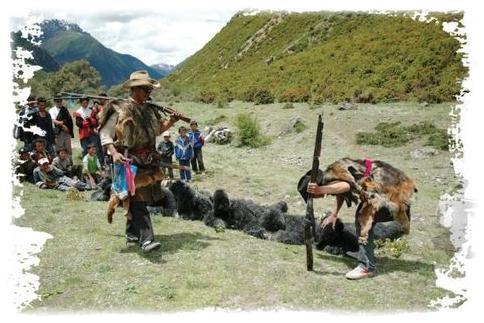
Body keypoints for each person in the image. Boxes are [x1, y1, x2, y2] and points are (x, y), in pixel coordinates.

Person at [99, 70, 183, 252]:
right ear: (136, 90)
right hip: (127, 160)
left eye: (149, 89)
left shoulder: (149, 110)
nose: (149, 93)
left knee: (137, 196)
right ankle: (146, 240)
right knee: (137, 198)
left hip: (148, 160)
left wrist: (172, 121)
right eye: (146, 89)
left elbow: (157, 130)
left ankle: (131, 232)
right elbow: (105, 134)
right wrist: (113, 152)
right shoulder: (119, 109)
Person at [307, 180, 376, 280]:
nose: (316, 198)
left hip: (382, 192)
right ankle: (365, 254)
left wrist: (321, 190)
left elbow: (345, 186)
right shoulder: (334, 179)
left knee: (363, 220)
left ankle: (366, 267)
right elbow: (341, 193)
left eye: (314, 195)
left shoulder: (333, 179)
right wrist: (334, 214)